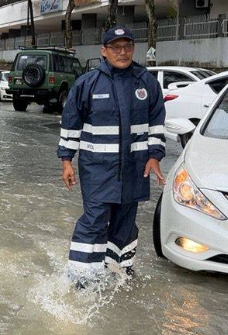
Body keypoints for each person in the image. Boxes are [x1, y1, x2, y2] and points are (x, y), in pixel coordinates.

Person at [57, 26, 166, 286]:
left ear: (133, 48)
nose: (122, 52)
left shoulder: (146, 82)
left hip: (135, 169)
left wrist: (155, 156)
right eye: (116, 47)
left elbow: (156, 122)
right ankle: (81, 279)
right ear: (103, 51)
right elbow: (71, 123)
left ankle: (119, 274)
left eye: (127, 46)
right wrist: (66, 161)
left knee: (125, 224)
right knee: (94, 221)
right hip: (97, 170)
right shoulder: (88, 83)